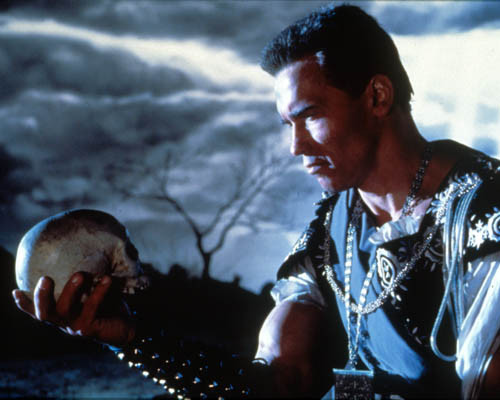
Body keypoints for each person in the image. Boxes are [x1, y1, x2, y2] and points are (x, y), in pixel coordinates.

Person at [12, 4, 500, 399]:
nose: (296, 147)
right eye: (288, 125)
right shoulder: (332, 231)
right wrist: (130, 338)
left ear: (376, 96)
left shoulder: (486, 218)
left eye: (310, 117)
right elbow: (277, 384)